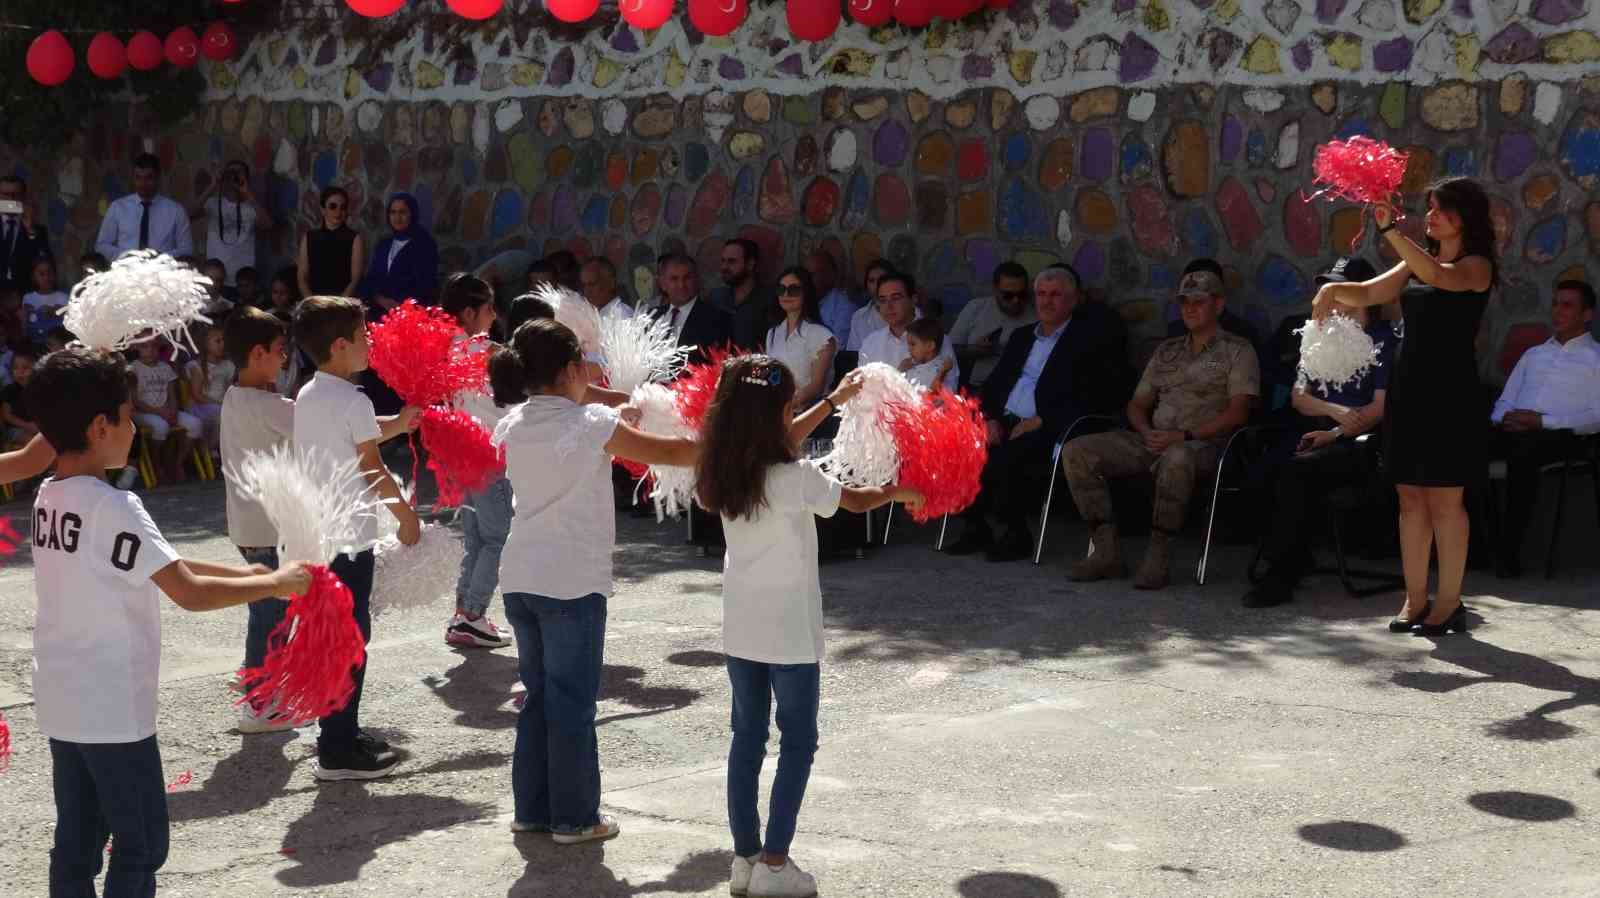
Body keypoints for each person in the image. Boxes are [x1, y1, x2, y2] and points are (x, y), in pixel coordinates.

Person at [29, 347, 309, 898]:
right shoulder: (115, 506)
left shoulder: (49, 497)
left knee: (78, 838)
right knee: (141, 844)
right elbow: (188, 591)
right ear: (100, 425)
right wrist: (274, 583)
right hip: (113, 708)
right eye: (129, 416)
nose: (134, 428)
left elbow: (161, 563)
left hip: (62, 699)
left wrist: (242, 570)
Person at [694, 356, 921, 898]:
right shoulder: (798, 478)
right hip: (791, 628)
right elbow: (857, 500)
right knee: (798, 740)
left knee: (746, 738)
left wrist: (832, 402)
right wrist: (901, 490)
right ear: (777, 414)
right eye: (790, 407)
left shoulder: (719, 471)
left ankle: (746, 859)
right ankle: (777, 863)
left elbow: (772, 438)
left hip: (742, 625)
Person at [491, 319, 698, 845]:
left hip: (521, 577)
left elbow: (594, 413)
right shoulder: (590, 423)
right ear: (571, 369)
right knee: (573, 702)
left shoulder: (515, 421)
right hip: (570, 581)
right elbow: (668, 453)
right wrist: (731, 445)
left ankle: (532, 810)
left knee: (538, 697)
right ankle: (577, 817)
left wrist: (616, 410)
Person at [1311, 177, 1497, 635]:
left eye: (1438, 209)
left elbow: (1440, 277)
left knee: (1446, 501)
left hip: (1451, 394)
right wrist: (1333, 293)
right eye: (1428, 208)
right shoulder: (1417, 264)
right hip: (1410, 388)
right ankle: (1415, 600)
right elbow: (1371, 292)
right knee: (1410, 497)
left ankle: (1449, 603)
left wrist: (1392, 229)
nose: (1429, 215)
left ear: (1463, 216)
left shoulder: (1478, 266)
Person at [291, 295, 422, 780]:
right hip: (348, 538)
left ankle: (339, 730)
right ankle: (338, 748)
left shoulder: (311, 394)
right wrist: (404, 515)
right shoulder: (354, 399)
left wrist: (399, 423)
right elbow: (371, 467)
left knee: (336, 637)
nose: (370, 344)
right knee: (351, 640)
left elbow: (354, 441)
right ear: (341, 345)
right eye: (364, 336)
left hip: (319, 535)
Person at [1062, 266, 1259, 589]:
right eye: (1184, 302)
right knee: (1077, 451)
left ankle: (1158, 556)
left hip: (1204, 445)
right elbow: (1137, 404)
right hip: (1153, 440)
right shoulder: (1167, 350)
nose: (1190, 309)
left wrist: (1183, 436)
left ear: (1219, 305)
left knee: (1178, 457)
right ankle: (1105, 551)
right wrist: (1145, 431)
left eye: (1199, 302)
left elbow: (1238, 413)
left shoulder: (1238, 350)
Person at [946, 265, 1132, 561]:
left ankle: (1016, 533)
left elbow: (1099, 395)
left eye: (1056, 295)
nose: (1046, 302)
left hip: (1050, 423)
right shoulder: (1022, 337)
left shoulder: (1088, 340)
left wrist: (1043, 419)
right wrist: (989, 417)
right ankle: (975, 526)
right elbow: (995, 384)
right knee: (962, 443)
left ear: (1073, 300)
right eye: (1042, 294)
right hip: (1005, 418)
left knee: (1010, 456)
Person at [1242, 269, 1398, 609]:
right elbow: (1299, 396)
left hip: (1360, 442)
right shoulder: (1318, 335)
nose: (1332, 304)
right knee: (1264, 466)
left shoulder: (1383, 339)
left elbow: (1379, 408)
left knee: (1297, 473)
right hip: (1319, 432)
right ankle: (1293, 554)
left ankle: (1282, 573)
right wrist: (1336, 410)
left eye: (1340, 294)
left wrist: (1337, 429)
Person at [219, 307, 306, 733]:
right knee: (271, 617)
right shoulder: (269, 405)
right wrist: (397, 423)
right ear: (257, 354)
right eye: (278, 351)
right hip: (267, 529)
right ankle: (259, 701)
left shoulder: (235, 395)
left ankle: (259, 683)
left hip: (248, 524)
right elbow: (330, 429)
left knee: (268, 612)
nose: (284, 358)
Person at [1487, 279, 1600, 577]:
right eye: (1555, 303)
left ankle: (1508, 553)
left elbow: (1596, 417)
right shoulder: (1533, 354)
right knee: (1465, 446)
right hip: (1516, 428)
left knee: (1524, 451)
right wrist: (1504, 418)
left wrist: (1541, 422)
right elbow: (1506, 398)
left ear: (1587, 314)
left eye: (1567, 305)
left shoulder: (1596, 359)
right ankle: (1479, 547)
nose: (1558, 311)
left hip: (1564, 435)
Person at [439, 274, 513, 649]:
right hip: (489, 453)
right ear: (468, 313)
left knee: (477, 539)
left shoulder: (446, 350)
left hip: (461, 455)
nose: (494, 314)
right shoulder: (485, 353)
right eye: (488, 307)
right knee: (499, 537)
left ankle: (464, 613)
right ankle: (472, 616)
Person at [948, 261, 1038, 388]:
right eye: (1008, 295)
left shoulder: (1037, 315)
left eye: (1022, 294)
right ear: (995, 289)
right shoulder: (976, 308)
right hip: (978, 387)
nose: (1016, 300)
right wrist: (974, 350)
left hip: (1018, 390)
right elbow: (949, 349)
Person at [856, 272, 961, 380]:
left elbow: (946, 391)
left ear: (913, 299)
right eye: (883, 300)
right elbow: (863, 390)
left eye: (896, 298)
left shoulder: (936, 338)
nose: (888, 306)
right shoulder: (871, 343)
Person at [130, 339, 204, 484]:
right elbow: (135, 401)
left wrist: (174, 411)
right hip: (143, 413)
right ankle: (157, 463)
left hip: (167, 411)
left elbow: (172, 395)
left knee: (196, 424)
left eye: (154, 346)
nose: (150, 350)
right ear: (136, 348)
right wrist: (160, 412)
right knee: (160, 426)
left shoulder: (165, 368)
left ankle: (178, 462)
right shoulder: (133, 369)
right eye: (145, 346)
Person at [190, 160, 273, 289]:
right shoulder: (213, 203)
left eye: (239, 173)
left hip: (243, 280)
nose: (234, 176)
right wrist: (213, 185)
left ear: (247, 178)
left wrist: (247, 192)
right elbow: (190, 214)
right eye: (230, 173)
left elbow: (267, 225)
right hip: (216, 277)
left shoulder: (251, 207)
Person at [96, 153, 194, 260]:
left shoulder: (176, 211)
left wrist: (161, 257)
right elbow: (101, 246)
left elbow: (187, 250)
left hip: (162, 272)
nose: (143, 183)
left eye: (148, 178)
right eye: (138, 177)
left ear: (158, 178)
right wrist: (126, 255)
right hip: (126, 272)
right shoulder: (117, 208)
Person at [764, 267, 837, 409]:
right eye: (781, 289)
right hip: (777, 412)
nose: (786, 294)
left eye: (794, 290)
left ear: (806, 293)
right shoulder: (772, 334)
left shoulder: (822, 336)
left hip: (810, 415)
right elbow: (771, 377)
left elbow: (816, 388)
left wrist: (785, 407)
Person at [1164, 258, 1266, 361]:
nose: (1190, 307)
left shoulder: (1244, 334)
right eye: (1186, 297)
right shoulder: (1175, 332)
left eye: (1199, 299)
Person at [362, 193, 439, 315]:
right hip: (379, 312)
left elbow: (426, 284)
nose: (397, 217)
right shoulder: (384, 244)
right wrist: (381, 300)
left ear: (412, 214)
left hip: (408, 314)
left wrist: (401, 306)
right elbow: (372, 278)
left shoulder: (424, 245)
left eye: (402, 212)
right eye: (393, 212)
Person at [650, 253, 732, 367]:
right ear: (663, 284)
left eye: (687, 278)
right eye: (674, 279)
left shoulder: (717, 319)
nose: (681, 284)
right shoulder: (650, 317)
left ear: (696, 280)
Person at [298, 185, 365, 299]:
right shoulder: (309, 237)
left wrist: (339, 303)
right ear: (323, 209)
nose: (338, 211)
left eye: (342, 207)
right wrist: (311, 301)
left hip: (343, 303)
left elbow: (355, 279)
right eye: (333, 206)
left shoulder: (354, 238)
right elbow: (302, 277)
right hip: (314, 303)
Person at [712, 238, 775, 352]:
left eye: (731, 261)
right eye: (723, 261)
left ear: (750, 264)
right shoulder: (717, 297)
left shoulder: (769, 300)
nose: (724, 267)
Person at [184, 323, 235, 451]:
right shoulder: (197, 367)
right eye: (217, 341)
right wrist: (220, 403)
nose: (222, 344)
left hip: (220, 404)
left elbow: (229, 388)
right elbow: (197, 395)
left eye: (224, 340)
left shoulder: (228, 365)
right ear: (205, 344)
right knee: (221, 414)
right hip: (200, 406)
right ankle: (208, 449)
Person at [0, 174, 51, 292]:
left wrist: (30, 229)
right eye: (5, 195)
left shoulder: (37, 230)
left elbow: (42, 262)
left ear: (23, 197)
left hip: (25, 293)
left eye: (15, 195)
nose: (10, 200)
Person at [805, 250, 856, 351]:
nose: (808, 279)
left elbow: (837, 349)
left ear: (832, 274)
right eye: (807, 274)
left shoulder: (845, 307)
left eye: (815, 273)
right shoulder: (801, 302)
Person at [845, 259, 894, 353]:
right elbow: (853, 355)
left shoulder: (911, 313)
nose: (877, 285)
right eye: (872, 281)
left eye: (882, 280)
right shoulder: (859, 317)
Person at [23, 256, 68, 344]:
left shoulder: (64, 297)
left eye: (49, 272)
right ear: (33, 277)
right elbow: (26, 324)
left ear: (55, 274)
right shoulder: (28, 298)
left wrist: (56, 311)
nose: (46, 277)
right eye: (41, 274)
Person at [901, 317, 952, 390]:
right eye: (908, 345)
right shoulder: (910, 367)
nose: (909, 349)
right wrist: (900, 371)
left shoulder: (941, 368)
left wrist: (942, 373)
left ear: (930, 346)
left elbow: (932, 393)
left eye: (913, 344)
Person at [1, 345, 39, 444]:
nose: (20, 372)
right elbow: (7, 415)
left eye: (25, 368)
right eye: (15, 368)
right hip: (16, 429)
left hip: (39, 428)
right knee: (33, 442)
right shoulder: (9, 390)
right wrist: (27, 425)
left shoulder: (41, 389)